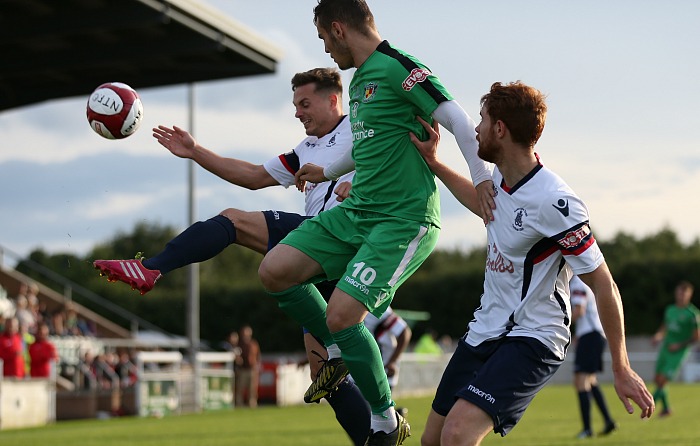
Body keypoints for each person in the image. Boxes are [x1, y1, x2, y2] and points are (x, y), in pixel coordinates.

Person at [93, 67, 371, 445]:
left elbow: (392, 163)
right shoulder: (305, 150)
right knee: (327, 377)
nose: (297, 112)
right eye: (294, 105)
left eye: (304, 103)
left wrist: (355, 184)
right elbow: (255, 176)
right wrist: (194, 151)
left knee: (234, 221)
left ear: (333, 100)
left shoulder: (362, 130)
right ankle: (381, 432)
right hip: (315, 255)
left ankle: (152, 268)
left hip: (343, 242)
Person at [258, 1, 493, 444]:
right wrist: (325, 172)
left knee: (344, 315)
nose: (326, 49)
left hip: (402, 220)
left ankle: (385, 420)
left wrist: (481, 179)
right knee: (275, 270)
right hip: (356, 212)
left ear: (339, 29)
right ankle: (334, 351)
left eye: (325, 39)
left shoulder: (398, 67)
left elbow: (459, 121)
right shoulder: (361, 79)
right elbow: (366, 144)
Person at [410, 81, 654, 445]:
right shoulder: (500, 179)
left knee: (458, 433)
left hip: (534, 336)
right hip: (485, 329)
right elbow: (485, 208)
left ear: (500, 129)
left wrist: (620, 366)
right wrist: (434, 164)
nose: (474, 130)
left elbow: (604, 284)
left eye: (482, 121)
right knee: (432, 440)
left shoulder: (555, 201)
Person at [570, 275, 616, 438]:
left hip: (590, 335)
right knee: (590, 380)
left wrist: (560, 324)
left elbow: (579, 311)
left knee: (581, 380)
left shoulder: (577, 283)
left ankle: (587, 429)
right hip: (593, 334)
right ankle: (609, 421)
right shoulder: (587, 279)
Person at [651, 280, 700, 417]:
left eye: (685, 293)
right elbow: (665, 327)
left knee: (663, 380)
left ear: (690, 295)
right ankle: (666, 409)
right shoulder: (670, 310)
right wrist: (658, 336)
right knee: (657, 379)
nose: (681, 296)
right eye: (680, 292)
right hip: (666, 348)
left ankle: (648, 406)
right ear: (676, 293)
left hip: (679, 351)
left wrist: (679, 345)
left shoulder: (693, 314)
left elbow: (696, 337)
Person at [234, 324, 261, 408]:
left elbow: (258, 355)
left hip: (252, 369)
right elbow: (236, 354)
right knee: (240, 388)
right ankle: (239, 404)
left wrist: (258, 365)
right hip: (242, 369)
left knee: (252, 388)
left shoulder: (253, 344)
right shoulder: (239, 344)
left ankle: (252, 404)